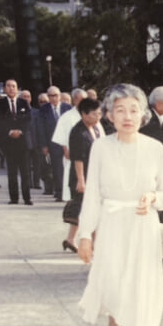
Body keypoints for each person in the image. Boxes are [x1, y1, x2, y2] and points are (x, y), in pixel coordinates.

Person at [77, 83, 163, 326]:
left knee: (139, 287)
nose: (127, 116)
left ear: (143, 114)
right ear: (109, 115)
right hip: (112, 223)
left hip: (143, 226)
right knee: (115, 283)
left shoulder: (156, 148)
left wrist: (152, 199)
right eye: (120, 110)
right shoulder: (100, 147)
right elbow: (92, 195)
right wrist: (83, 235)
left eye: (133, 110)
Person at [64, 98, 104, 253]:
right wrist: (81, 181)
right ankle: (94, 242)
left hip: (93, 175)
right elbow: (78, 158)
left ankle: (70, 239)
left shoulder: (95, 129)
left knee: (84, 210)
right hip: (82, 177)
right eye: (95, 114)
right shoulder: (78, 132)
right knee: (88, 210)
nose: (98, 117)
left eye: (99, 113)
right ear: (84, 114)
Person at [0, 79, 33, 205]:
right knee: (12, 172)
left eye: (13, 86)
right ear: (5, 89)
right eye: (8, 86)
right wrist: (10, 131)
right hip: (8, 143)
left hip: (23, 143)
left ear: (17, 89)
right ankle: (14, 198)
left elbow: (28, 120)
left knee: (25, 172)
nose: (11, 88)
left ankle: (27, 198)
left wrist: (20, 131)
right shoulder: (0, 104)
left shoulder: (23, 103)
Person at [52, 88, 87, 202]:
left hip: (88, 152)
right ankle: (72, 199)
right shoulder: (66, 116)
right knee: (72, 176)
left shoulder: (90, 114)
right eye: (80, 99)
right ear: (74, 100)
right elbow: (61, 134)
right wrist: (65, 149)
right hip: (72, 152)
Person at [39, 86, 71, 200]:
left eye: (55, 95)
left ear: (60, 96)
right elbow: (41, 129)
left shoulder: (68, 108)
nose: (53, 98)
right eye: (50, 96)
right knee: (57, 168)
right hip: (53, 143)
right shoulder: (43, 110)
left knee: (68, 167)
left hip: (67, 143)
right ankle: (59, 191)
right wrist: (44, 145)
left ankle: (69, 191)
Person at [19, 90, 42, 190]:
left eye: (28, 96)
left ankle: (36, 183)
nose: (26, 98)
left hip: (35, 141)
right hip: (23, 142)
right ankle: (28, 183)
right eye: (24, 97)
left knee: (37, 164)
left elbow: (39, 127)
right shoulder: (17, 111)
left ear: (31, 98)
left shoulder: (36, 112)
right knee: (26, 165)